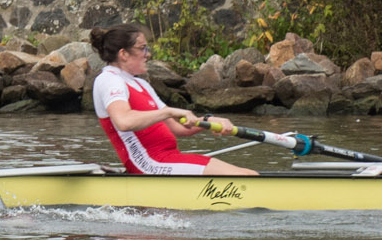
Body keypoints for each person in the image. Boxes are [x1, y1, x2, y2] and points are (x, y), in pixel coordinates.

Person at [88, 23, 256, 176]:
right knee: (247, 177)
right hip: (148, 164)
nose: (148, 54)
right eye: (143, 48)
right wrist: (168, 111)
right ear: (123, 53)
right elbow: (123, 121)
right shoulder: (109, 80)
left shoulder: (140, 83)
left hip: (168, 158)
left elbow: (179, 129)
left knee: (249, 174)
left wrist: (207, 120)